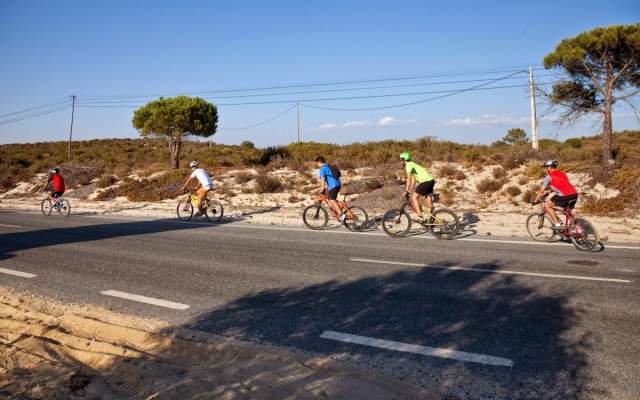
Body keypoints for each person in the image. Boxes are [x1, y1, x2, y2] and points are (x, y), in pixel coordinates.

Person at [533, 159, 578, 230]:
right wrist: (550, 192)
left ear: (550, 167)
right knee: (567, 211)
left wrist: (535, 200)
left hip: (565, 196)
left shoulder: (549, 177)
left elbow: (541, 190)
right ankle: (578, 228)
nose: (546, 169)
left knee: (547, 206)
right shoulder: (563, 173)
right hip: (574, 194)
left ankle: (557, 225)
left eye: (546, 167)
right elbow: (561, 185)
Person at [399, 152, 435, 220]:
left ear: (404, 159)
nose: (400, 162)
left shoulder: (408, 165)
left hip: (425, 181)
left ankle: (420, 216)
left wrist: (406, 191)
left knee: (414, 197)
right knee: (427, 196)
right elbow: (413, 181)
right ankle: (433, 214)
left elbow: (408, 180)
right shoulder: (412, 164)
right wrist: (408, 192)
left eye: (401, 160)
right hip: (431, 180)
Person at [315, 156, 344, 220]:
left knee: (332, 200)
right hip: (338, 184)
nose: (317, 165)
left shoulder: (322, 169)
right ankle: (341, 206)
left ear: (319, 162)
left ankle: (341, 215)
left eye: (317, 163)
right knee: (329, 197)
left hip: (333, 185)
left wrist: (322, 189)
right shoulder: (328, 166)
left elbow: (323, 180)